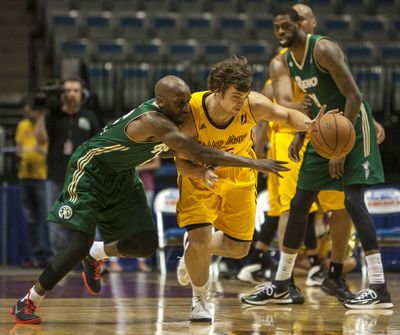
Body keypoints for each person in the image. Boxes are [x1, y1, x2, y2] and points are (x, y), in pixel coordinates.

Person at [10, 75, 292, 325]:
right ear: (160, 101)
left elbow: (171, 153)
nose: (186, 107)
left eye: (187, 100)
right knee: (77, 244)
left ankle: (98, 253)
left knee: (145, 244)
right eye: (180, 103)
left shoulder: (172, 119)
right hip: (90, 170)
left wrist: (199, 162)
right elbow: (196, 151)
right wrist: (254, 163)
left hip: (122, 174)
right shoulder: (153, 120)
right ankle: (29, 300)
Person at [241, 7, 392, 309]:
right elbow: (311, 104)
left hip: (352, 127)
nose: (281, 32)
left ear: (300, 25)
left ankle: (378, 286)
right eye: (275, 28)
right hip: (323, 129)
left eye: (285, 26)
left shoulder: (322, 48)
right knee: (299, 204)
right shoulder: (285, 61)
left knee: (351, 201)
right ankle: (283, 283)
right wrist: (301, 135)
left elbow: (353, 96)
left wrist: (341, 149)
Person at [174, 56, 331, 322]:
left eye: (244, 96)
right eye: (236, 96)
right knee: (201, 238)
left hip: (240, 175)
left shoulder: (252, 104)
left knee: (239, 250)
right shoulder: (191, 113)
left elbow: (287, 114)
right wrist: (200, 171)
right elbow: (180, 161)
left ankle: (194, 250)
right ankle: (199, 299)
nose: (240, 103)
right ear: (217, 90)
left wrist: (309, 125)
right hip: (201, 176)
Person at [35, 78, 101, 255]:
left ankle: (93, 260)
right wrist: (43, 111)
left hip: (83, 177)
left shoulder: (89, 117)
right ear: (62, 94)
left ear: (82, 94)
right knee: (56, 221)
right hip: (56, 175)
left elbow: (98, 145)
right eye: (68, 90)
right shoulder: (52, 115)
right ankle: (60, 263)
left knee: (87, 218)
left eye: (75, 90)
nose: (71, 94)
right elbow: (40, 138)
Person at [15, 100, 51, 268]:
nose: (29, 111)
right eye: (27, 108)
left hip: (42, 177)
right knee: (31, 219)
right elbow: (18, 148)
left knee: (47, 218)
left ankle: (52, 255)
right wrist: (22, 155)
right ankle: (38, 256)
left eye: (32, 109)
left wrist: (41, 151)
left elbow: (50, 150)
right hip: (24, 176)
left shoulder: (45, 125)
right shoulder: (22, 125)